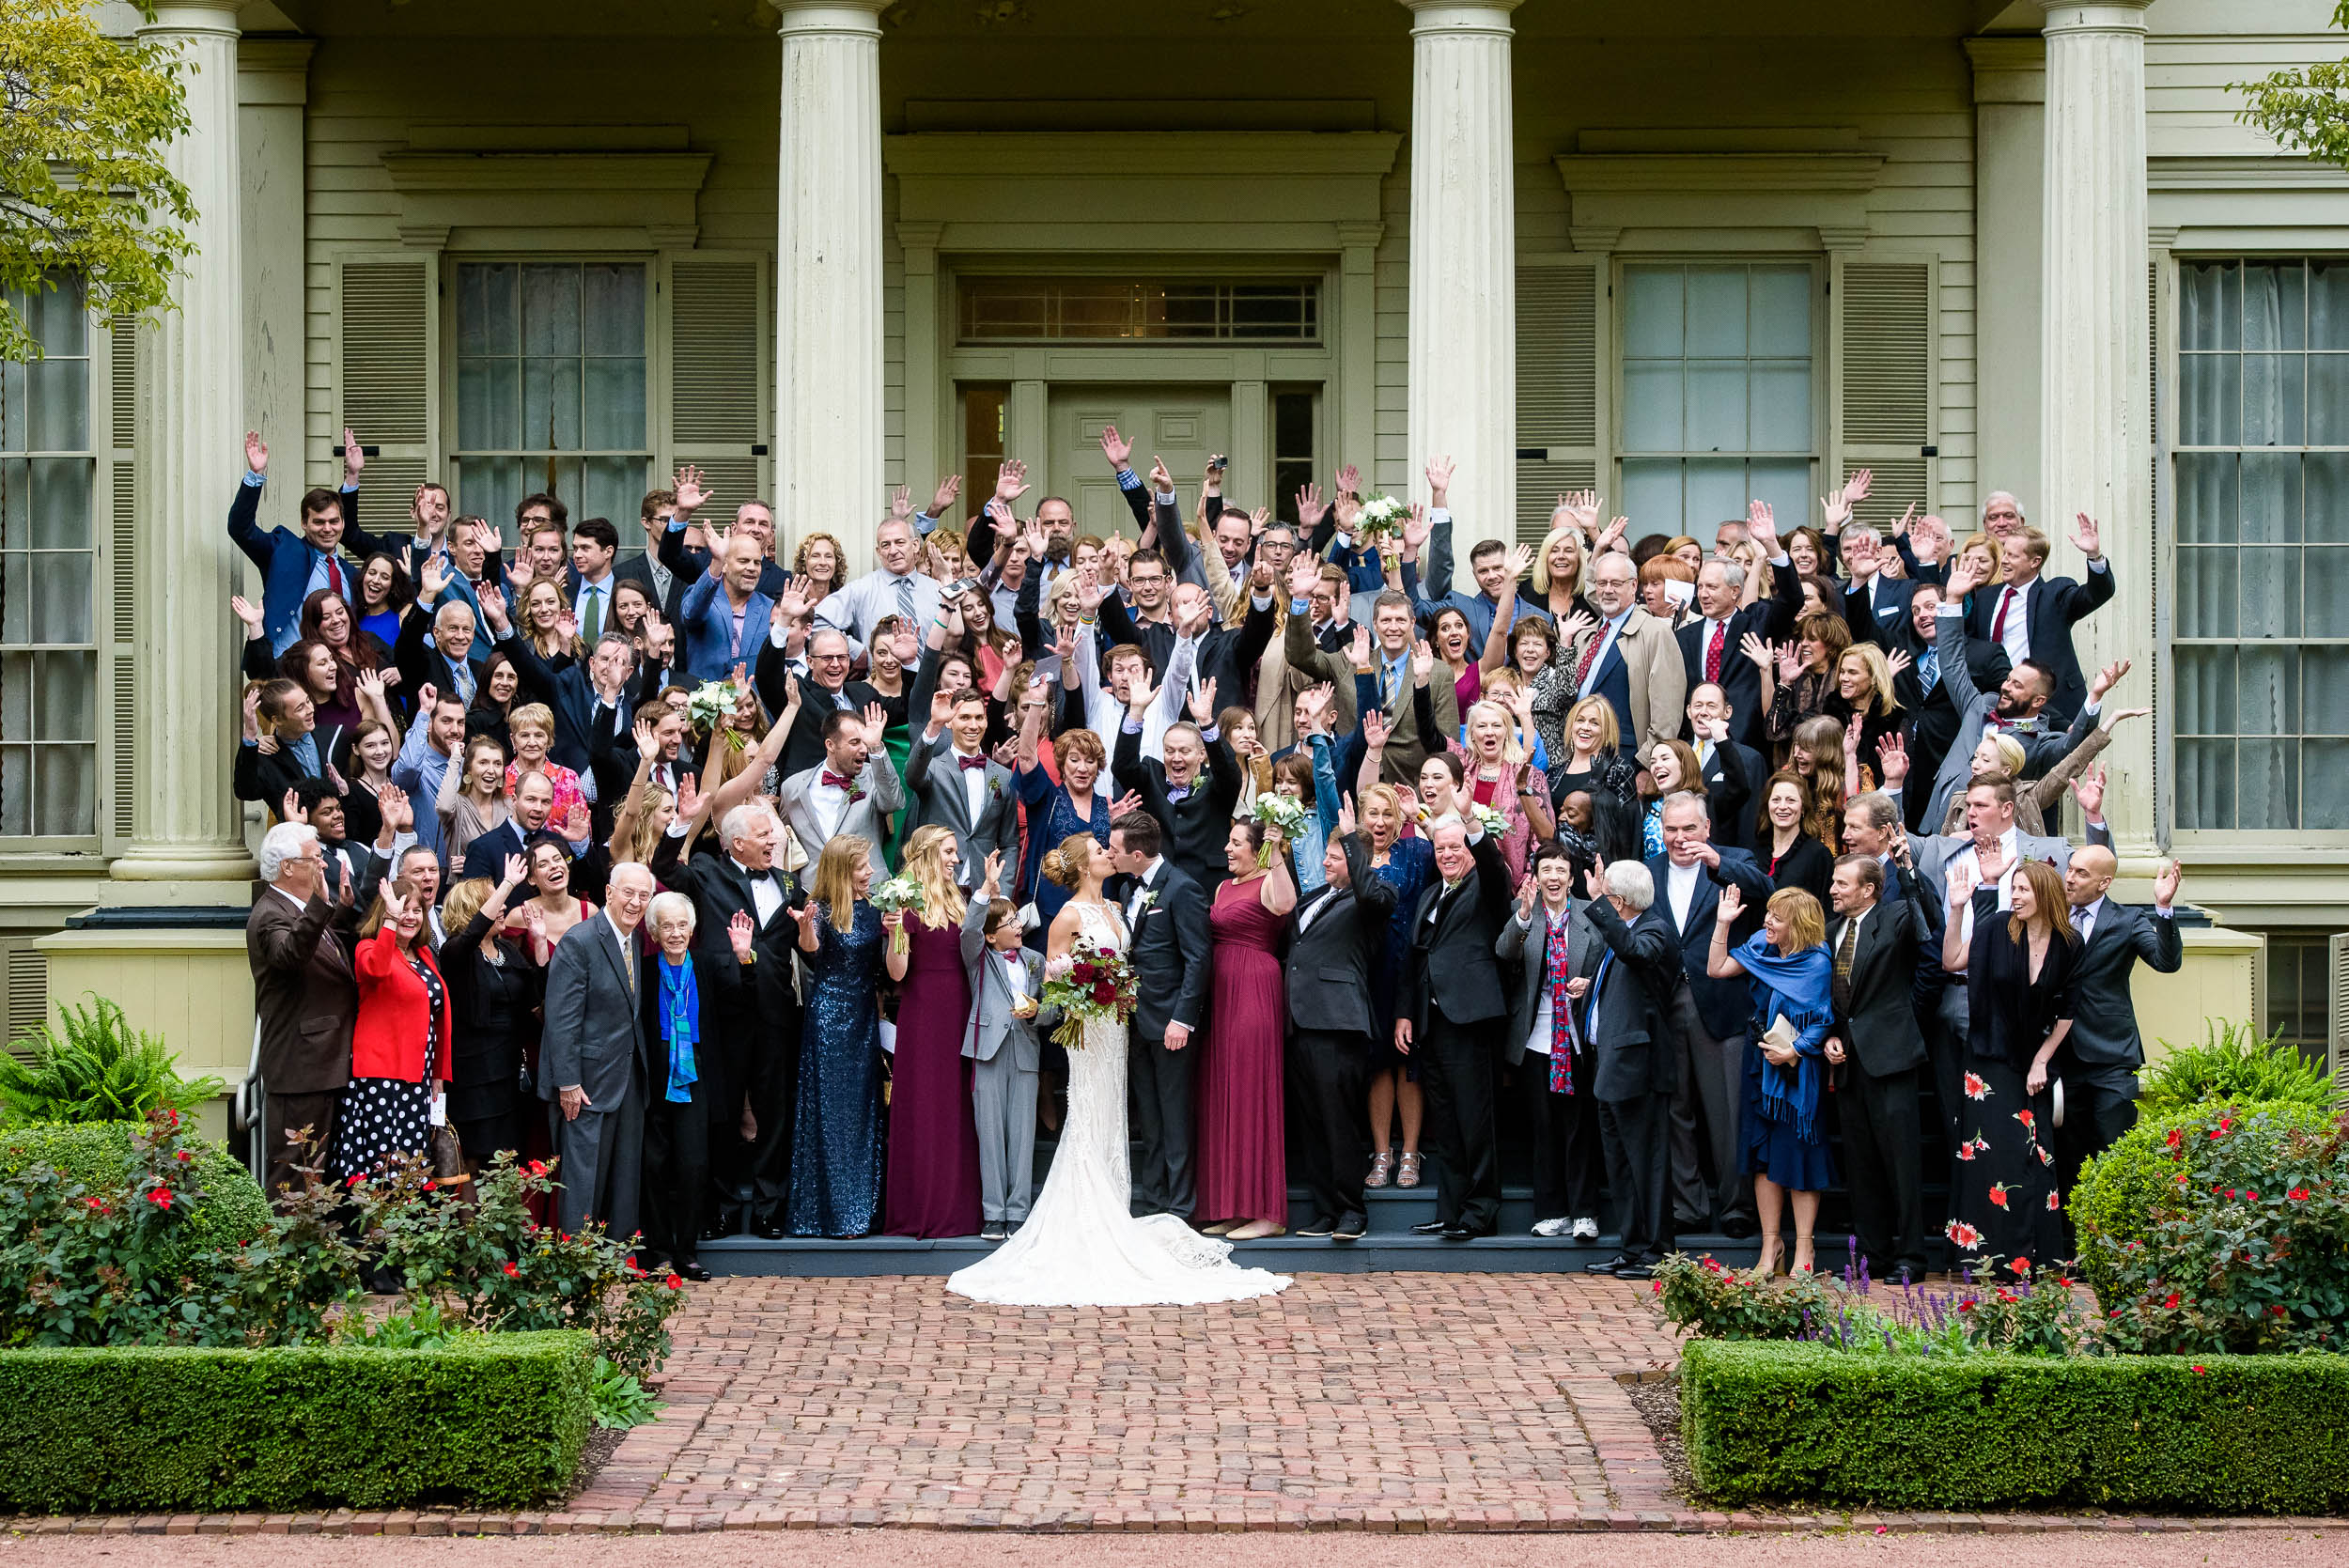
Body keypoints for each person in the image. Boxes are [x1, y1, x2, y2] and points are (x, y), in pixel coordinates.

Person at [945, 833, 1291, 1306]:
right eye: (1098, 851)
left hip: (1119, 1028)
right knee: (1088, 1114)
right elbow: (1052, 974)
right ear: (1084, 866)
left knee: (1112, 1116)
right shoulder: (1068, 915)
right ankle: (1089, 1214)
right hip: (1088, 1030)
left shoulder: (1117, 905)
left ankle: (1114, 1201)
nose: (1108, 853)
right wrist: (1079, 984)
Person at [672, 801, 805, 1241]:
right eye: (764, 834)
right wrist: (683, 822)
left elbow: (808, 945)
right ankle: (723, 1208)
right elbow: (666, 871)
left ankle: (770, 1208)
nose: (774, 840)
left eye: (773, 834)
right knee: (723, 1114)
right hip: (724, 1014)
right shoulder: (707, 874)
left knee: (774, 1114)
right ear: (737, 843)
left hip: (775, 1015)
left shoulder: (790, 882)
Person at [1643, 792, 1773, 1239]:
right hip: (1663, 1003)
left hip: (1720, 1002)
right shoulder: (1650, 870)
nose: (1680, 839)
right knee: (1676, 1109)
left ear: (1707, 827)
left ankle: (1737, 1206)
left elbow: (1767, 892)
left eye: (1689, 829)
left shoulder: (1733, 861)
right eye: (1671, 830)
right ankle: (1688, 1205)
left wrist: (1717, 861)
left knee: (1728, 1110)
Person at [1941, 857, 2078, 1276]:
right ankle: (1983, 1259)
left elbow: (2070, 1009)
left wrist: (2042, 1061)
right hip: (1987, 1059)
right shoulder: (1997, 928)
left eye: (2023, 889)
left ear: (2045, 894)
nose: (2015, 896)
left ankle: (2037, 1259)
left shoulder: (2069, 942)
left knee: (2037, 1156)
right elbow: (1951, 961)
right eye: (2013, 889)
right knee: (1988, 1156)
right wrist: (1958, 908)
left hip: (2033, 1060)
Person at [1705, 884, 1836, 1277]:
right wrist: (1722, 924)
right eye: (1768, 914)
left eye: (1777, 917)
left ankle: (1804, 1251)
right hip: (1762, 1062)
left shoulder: (1816, 963)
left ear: (1797, 924)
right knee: (1763, 1158)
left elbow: (1824, 1018)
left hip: (1798, 1069)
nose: (1767, 921)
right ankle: (1770, 1245)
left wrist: (1794, 1050)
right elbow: (1716, 968)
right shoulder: (1762, 948)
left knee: (1799, 1156)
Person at [1821, 851, 1934, 1283]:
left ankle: (1911, 1256)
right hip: (1848, 1061)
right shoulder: (1832, 931)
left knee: (1901, 1162)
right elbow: (1832, 996)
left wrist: (1907, 870)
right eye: (1833, 882)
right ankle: (1871, 1255)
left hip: (1891, 1058)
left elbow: (1928, 922)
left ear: (1868, 889)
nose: (1833, 889)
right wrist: (1830, 1034)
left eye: (1842, 884)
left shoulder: (1895, 918)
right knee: (1861, 1163)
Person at [1398, 817, 1512, 1240]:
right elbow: (1416, 958)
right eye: (1440, 848)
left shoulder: (1484, 886)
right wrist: (1406, 1012)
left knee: (1475, 1119)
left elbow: (1496, 872)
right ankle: (1451, 1211)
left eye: (1455, 847)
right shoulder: (1430, 893)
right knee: (1445, 1123)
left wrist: (1476, 833)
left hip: (1471, 1018)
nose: (1447, 854)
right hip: (1432, 1023)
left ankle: (1481, 1211)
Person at [640, 891, 754, 1281]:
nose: (675, 933)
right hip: (654, 1074)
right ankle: (657, 1253)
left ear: (692, 928)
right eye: (666, 926)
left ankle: (686, 1253)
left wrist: (744, 958)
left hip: (697, 1073)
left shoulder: (707, 966)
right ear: (654, 932)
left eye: (682, 925)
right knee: (653, 1165)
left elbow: (743, 1004)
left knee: (693, 1165)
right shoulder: (644, 969)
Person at [1578, 858, 1683, 1280]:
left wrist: (1598, 905)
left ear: (1618, 901)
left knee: (1648, 1163)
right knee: (1620, 1164)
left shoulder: (1655, 929)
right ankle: (1633, 1247)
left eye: (1608, 898)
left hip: (1639, 1067)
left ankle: (1659, 1253)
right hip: (1611, 1065)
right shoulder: (1626, 932)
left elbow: (1637, 955)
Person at [541, 862, 656, 1248]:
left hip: (628, 1078)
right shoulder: (580, 941)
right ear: (608, 893)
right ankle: (575, 1258)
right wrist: (568, 1082)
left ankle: (620, 1256)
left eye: (644, 895)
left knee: (625, 1176)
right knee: (582, 1178)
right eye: (629, 893)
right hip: (586, 1084)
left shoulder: (635, 940)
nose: (636, 902)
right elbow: (561, 1021)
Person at [2055, 848, 2185, 1188]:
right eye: (2070, 869)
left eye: (2081, 873)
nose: (2069, 878)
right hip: (2060, 1055)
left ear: (2104, 882)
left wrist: (2164, 909)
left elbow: (2166, 962)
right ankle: (2071, 1240)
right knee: (2069, 1159)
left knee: (2113, 1155)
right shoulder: (2052, 914)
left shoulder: (2127, 920)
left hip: (2111, 1056)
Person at [1107, 811, 1214, 1220]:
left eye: (1115, 850)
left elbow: (1197, 957)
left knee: (1174, 1116)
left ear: (1137, 853)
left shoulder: (1181, 889)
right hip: (1135, 1020)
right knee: (1148, 1117)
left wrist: (1182, 1019)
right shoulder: (1128, 888)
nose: (1110, 855)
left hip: (1170, 1022)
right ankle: (1151, 1200)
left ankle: (1181, 1206)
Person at [1194, 819, 1298, 1240]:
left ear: (1255, 849)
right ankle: (1234, 1206)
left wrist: (1276, 852)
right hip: (1220, 997)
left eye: (1236, 843)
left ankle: (1268, 1212)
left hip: (1255, 988)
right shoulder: (1222, 888)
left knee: (1252, 1093)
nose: (1227, 849)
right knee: (1225, 1096)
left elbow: (1287, 903)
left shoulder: (1269, 883)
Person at [246, 822, 360, 1200]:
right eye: (315, 858)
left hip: (322, 1065)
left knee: (319, 1178)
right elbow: (290, 955)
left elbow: (320, 955)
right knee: (295, 1179)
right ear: (288, 867)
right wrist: (321, 906)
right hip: (300, 1069)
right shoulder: (269, 915)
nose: (323, 865)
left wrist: (335, 911)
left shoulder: (299, 909)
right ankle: (284, 1257)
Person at [1497, 844, 1602, 1241]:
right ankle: (1551, 1211)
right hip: (1537, 1039)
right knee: (1544, 1129)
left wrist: (1588, 984)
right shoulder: (1524, 912)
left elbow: (1613, 964)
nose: (1553, 877)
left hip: (1577, 1039)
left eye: (1561, 870)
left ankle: (1585, 1212)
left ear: (1572, 878)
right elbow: (1503, 952)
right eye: (1546, 870)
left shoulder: (1590, 914)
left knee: (1580, 1128)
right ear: (1536, 877)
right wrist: (1523, 917)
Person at [883, 826, 983, 1240]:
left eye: (956, 852)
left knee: (957, 1104)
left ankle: (959, 1208)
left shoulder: (959, 899)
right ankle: (922, 1208)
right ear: (926, 855)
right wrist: (895, 936)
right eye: (948, 852)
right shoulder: (902, 903)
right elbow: (896, 974)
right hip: (923, 1011)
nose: (955, 859)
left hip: (960, 1007)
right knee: (925, 1105)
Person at [788, 836, 887, 1238]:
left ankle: (864, 1210)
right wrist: (805, 928)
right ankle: (825, 1214)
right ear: (843, 871)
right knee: (830, 1111)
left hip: (864, 1015)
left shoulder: (875, 909)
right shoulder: (823, 911)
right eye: (863, 866)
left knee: (863, 1111)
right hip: (829, 1017)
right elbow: (810, 948)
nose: (870, 872)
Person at [330, 880, 452, 1186]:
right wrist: (390, 921)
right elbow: (376, 970)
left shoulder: (422, 953)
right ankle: (377, 1233)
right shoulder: (368, 948)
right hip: (380, 1077)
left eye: (416, 910)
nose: (409, 917)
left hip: (417, 1077)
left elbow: (436, 1018)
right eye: (401, 910)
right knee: (380, 1171)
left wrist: (437, 1075)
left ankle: (402, 1233)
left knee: (410, 1169)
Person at [438, 864, 547, 1176]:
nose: (502, 907)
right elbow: (472, 933)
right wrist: (508, 883)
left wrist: (539, 944)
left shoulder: (507, 951)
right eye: (493, 900)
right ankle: (473, 1227)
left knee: (508, 1155)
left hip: (509, 1071)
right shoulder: (455, 952)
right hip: (474, 1076)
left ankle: (503, 1223)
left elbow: (536, 999)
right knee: (475, 1157)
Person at [226, 430, 377, 653]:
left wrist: (353, 475)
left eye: (334, 521)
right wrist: (255, 476)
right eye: (319, 522)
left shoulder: (352, 575)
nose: (327, 529)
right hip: (289, 669)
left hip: (337, 675)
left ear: (343, 524)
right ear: (304, 524)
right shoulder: (282, 551)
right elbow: (240, 528)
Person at [1356, 782, 1434, 1194]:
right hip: (1364, 971)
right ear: (1362, 818)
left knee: (1407, 1062)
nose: (1381, 822)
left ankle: (1410, 1152)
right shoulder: (1354, 856)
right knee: (1377, 1063)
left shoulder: (1416, 853)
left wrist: (1418, 814)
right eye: (1374, 813)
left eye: (1388, 814)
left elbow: (1459, 853)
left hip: (1407, 968)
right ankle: (1382, 1152)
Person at [961, 859, 1046, 1242]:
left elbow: (1055, 1008)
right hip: (988, 1050)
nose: (1019, 926)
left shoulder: (1035, 961)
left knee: (1022, 1134)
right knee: (991, 1133)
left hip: (1025, 1049)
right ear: (992, 935)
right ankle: (993, 1214)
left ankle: (1019, 1212)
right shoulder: (979, 957)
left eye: (1018, 920)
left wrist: (1037, 1012)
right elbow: (968, 931)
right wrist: (986, 888)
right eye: (1010, 922)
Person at [1964, 516, 2115, 723]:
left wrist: (2094, 556)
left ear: (2035, 561)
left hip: (2052, 708)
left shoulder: (2055, 594)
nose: (2004, 561)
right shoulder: (1985, 597)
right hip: (1999, 704)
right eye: (2005, 553)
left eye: (2013, 556)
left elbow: (2097, 594)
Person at [1564, 550, 1686, 757]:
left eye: (1616, 583)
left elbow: (1667, 711)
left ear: (1633, 586)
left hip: (1626, 757)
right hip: (1578, 752)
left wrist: (1649, 763)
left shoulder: (1655, 633)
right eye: (1602, 583)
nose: (1608, 590)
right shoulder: (1585, 634)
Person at [905, 691, 1019, 893]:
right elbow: (912, 776)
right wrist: (934, 725)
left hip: (982, 891)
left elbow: (1009, 843)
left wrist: (1004, 894)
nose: (973, 725)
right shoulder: (933, 768)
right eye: (965, 717)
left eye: (979, 717)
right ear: (950, 722)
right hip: (935, 887)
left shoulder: (1003, 776)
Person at [774, 707, 904, 879]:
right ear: (830, 745)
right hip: (815, 891)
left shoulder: (875, 776)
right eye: (855, 742)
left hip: (868, 889)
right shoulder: (792, 787)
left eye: (864, 742)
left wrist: (875, 747)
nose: (863, 749)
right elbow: (786, 842)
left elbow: (894, 803)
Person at [1677, 558, 1774, 753]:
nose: (1703, 594)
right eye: (1700, 586)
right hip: (1695, 742)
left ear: (1734, 591)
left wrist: (1769, 549)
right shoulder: (1684, 635)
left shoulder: (1755, 628)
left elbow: (1792, 600)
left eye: (1712, 587)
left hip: (1743, 740)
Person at [1755, 770, 1835, 909]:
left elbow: (1826, 909)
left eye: (1791, 800)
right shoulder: (1755, 852)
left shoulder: (1818, 854)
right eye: (1776, 800)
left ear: (1803, 807)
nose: (1782, 806)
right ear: (1767, 805)